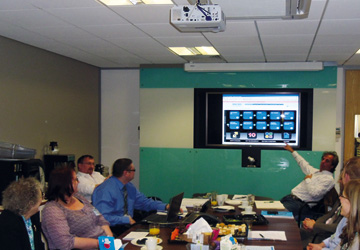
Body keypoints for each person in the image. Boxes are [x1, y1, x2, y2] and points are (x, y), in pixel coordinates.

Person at [92, 158, 169, 236]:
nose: (135, 172)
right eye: (134, 170)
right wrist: (125, 220)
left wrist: (166, 206)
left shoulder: (129, 186)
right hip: (111, 229)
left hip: (127, 226)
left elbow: (144, 202)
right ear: (126, 173)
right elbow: (102, 217)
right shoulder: (104, 190)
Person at [41, 166, 112, 250]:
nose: (78, 182)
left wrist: (109, 238)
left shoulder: (78, 197)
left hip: (104, 244)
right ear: (65, 183)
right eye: (75, 179)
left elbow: (99, 216)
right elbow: (65, 243)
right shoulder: (52, 210)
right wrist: (101, 244)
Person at [306, 157, 360, 250]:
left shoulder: (355, 238)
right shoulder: (346, 220)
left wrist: (315, 226)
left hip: (322, 235)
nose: (339, 180)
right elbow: (336, 239)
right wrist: (322, 245)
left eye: (343, 197)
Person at [280, 143, 339, 220]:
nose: (323, 162)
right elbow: (303, 163)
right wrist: (292, 151)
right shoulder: (315, 172)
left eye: (327, 161)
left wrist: (308, 179)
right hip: (290, 198)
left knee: (275, 214)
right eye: (323, 159)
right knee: (269, 209)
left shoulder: (328, 179)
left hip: (299, 204)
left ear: (332, 166)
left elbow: (314, 194)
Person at [0, 177, 45, 250]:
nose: (42, 198)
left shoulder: (32, 216)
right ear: (31, 203)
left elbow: (39, 245)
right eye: (41, 195)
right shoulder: (8, 223)